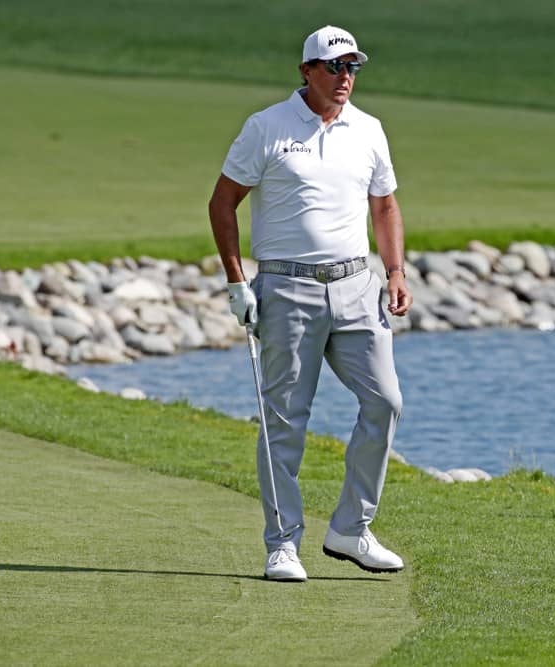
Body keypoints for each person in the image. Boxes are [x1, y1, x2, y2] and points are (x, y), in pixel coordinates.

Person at [207, 25, 413, 582]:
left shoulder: (368, 129)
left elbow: (385, 207)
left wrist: (393, 271)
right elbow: (223, 204)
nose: (345, 78)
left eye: (352, 68)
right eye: (334, 67)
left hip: (355, 285)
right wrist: (236, 281)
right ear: (306, 71)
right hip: (286, 288)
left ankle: (351, 529)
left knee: (385, 401)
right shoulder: (266, 127)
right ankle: (282, 544)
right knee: (284, 420)